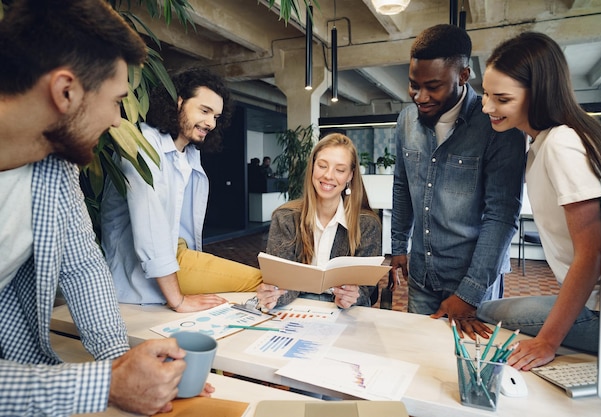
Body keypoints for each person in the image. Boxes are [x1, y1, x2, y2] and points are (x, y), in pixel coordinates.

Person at [0, 1, 214, 415]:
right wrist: (106, 385)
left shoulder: (53, 163)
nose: (119, 121)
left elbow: (83, 265)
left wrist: (123, 361)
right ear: (65, 92)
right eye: (117, 100)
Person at [477, 31, 601, 370]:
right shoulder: (545, 143)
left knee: (486, 312)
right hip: (598, 303)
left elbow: (593, 252)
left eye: (501, 98)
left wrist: (548, 342)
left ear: (538, 93)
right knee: (492, 309)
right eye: (486, 95)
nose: (487, 107)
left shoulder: (561, 143)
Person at [390, 24, 527, 338]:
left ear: (464, 75)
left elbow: (501, 216)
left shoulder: (497, 126)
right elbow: (402, 184)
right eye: (413, 84)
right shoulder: (406, 120)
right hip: (422, 277)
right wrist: (399, 245)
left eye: (433, 86)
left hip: (471, 281)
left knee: (468, 370)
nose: (420, 96)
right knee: (419, 359)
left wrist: (470, 292)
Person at [101, 67, 262, 313]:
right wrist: (178, 300)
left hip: (179, 256)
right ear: (179, 102)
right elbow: (150, 230)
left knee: (264, 283)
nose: (210, 123)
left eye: (216, 117)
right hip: (144, 268)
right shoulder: (143, 144)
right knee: (260, 280)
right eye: (204, 111)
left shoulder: (190, 156)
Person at [256, 133, 381, 309]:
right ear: (313, 167)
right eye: (322, 166)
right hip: (297, 306)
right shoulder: (285, 218)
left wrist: (353, 296)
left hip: (345, 312)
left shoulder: (367, 224)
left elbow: (366, 289)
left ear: (350, 176)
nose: (329, 175)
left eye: (340, 170)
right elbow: (280, 282)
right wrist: (273, 295)